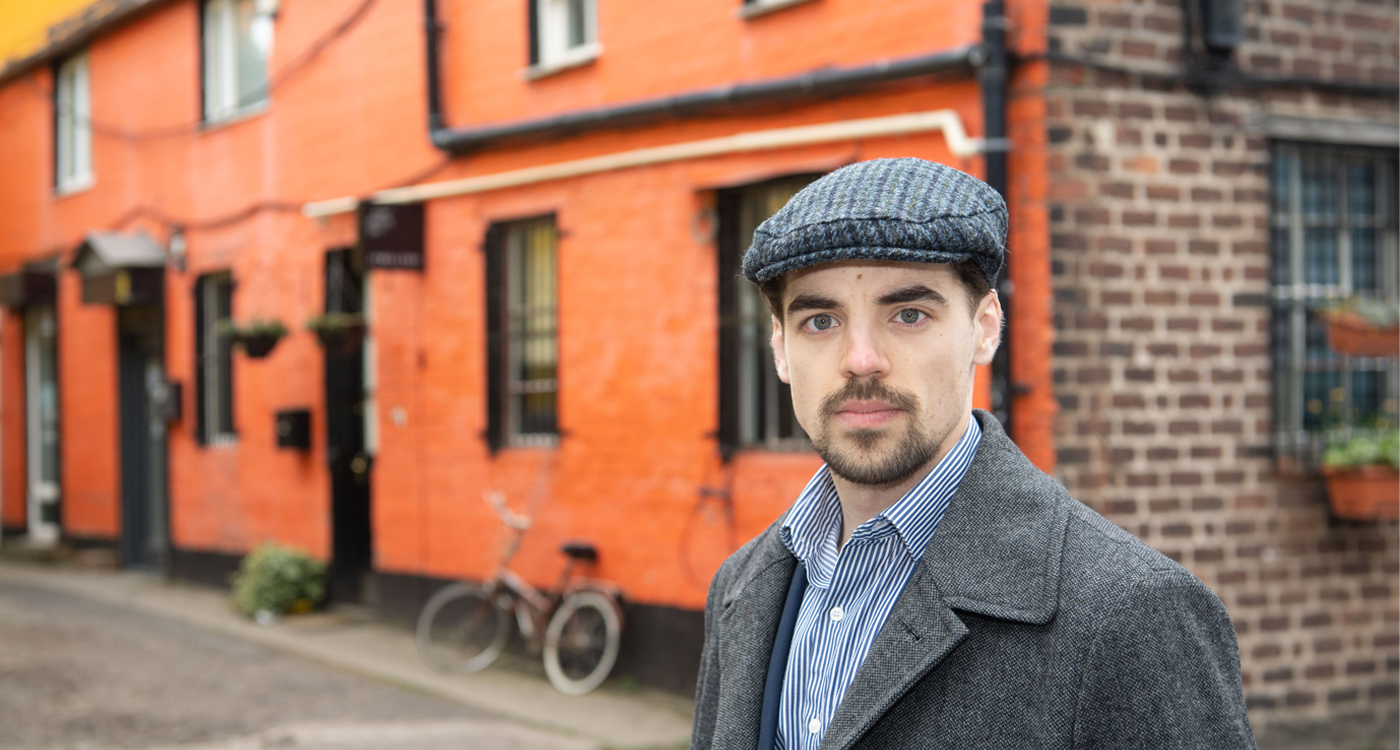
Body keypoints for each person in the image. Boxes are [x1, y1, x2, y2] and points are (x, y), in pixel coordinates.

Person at [690, 158, 1256, 750]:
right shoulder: (742, 587)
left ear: (985, 328)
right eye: (820, 320)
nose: (860, 359)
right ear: (780, 348)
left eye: (909, 314)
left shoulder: (1130, 613)